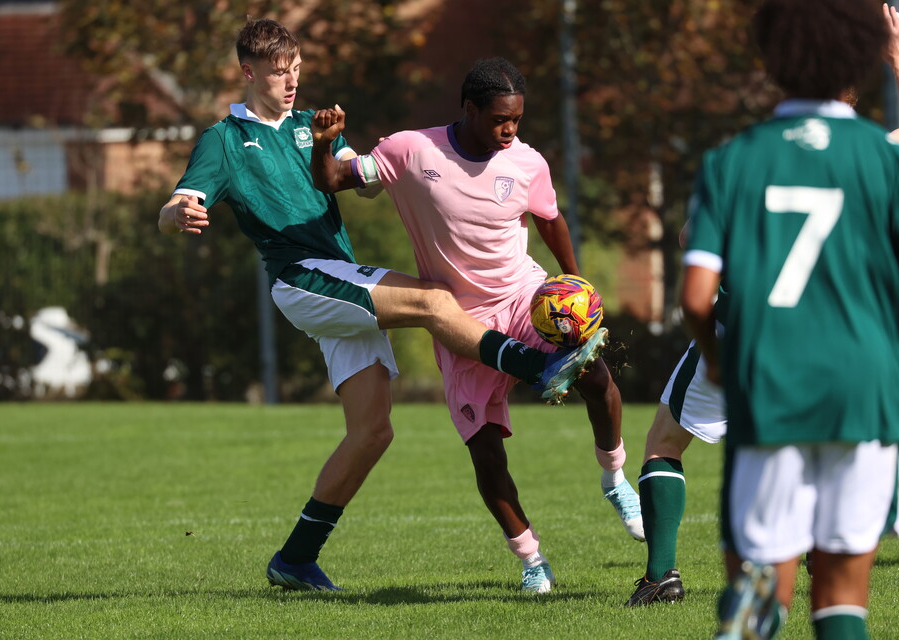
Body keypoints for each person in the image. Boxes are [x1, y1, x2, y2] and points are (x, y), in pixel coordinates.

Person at [158, 19, 608, 592]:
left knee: (372, 432)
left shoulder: (309, 123)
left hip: (338, 275)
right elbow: (176, 205)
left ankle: (294, 560)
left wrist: (334, 144)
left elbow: (359, 181)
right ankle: (540, 366)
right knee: (431, 299)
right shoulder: (223, 140)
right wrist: (178, 216)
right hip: (300, 277)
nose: (291, 81)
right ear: (249, 72)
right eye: (278, 72)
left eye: (296, 68)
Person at [624, 1, 899, 608]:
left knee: (665, 445)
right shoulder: (879, 156)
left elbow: (692, 268)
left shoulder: (743, 157)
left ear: (777, 69)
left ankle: (666, 579)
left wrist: (712, 351)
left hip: (752, 336)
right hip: (850, 354)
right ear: (853, 83)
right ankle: (820, 555)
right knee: (842, 585)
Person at [311, 57, 643, 594]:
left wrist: (576, 282)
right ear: (469, 109)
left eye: (517, 119)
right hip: (459, 320)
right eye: (498, 120)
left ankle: (615, 476)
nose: (509, 130)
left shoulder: (527, 162)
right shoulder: (410, 150)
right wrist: (324, 142)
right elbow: (330, 179)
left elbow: (550, 218)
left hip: (525, 297)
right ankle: (532, 559)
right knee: (486, 451)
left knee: (597, 378)